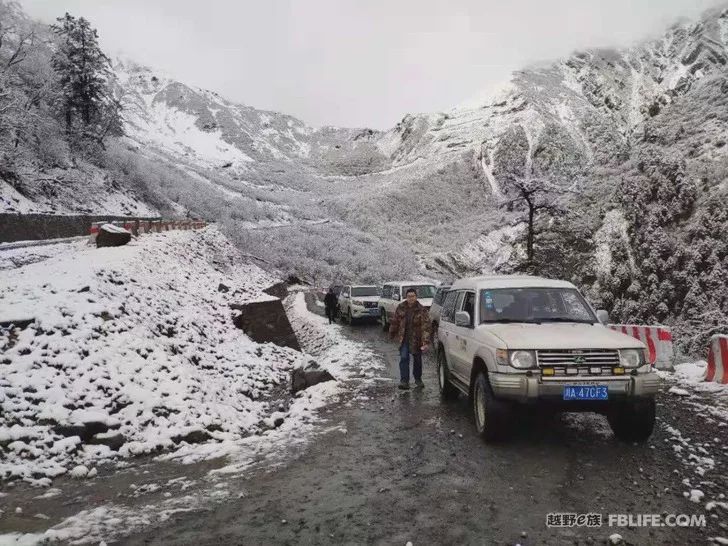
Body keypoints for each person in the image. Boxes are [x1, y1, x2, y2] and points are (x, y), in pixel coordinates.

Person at [389, 287, 431, 390]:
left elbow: (426, 326)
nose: (411, 298)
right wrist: (392, 333)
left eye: (413, 296)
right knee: (404, 358)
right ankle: (404, 381)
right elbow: (395, 321)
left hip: (417, 339)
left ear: (416, 297)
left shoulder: (421, 309)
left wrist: (425, 341)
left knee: (417, 360)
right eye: (409, 296)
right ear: (406, 297)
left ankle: (418, 379)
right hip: (404, 338)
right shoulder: (401, 307)